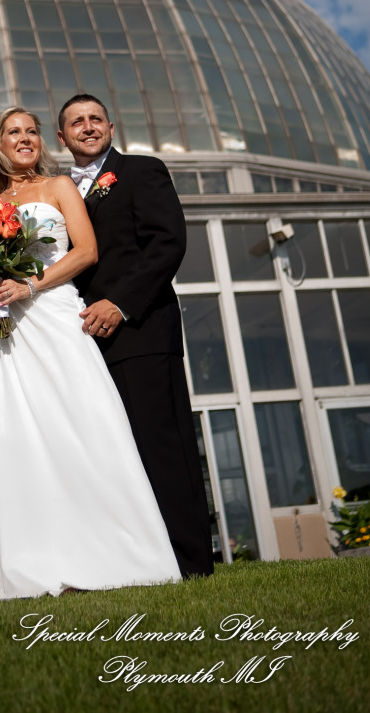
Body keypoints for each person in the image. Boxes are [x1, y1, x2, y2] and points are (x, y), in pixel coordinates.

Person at [0, 106, 181, 600]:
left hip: (55, 316)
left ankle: (123, 553)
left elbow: (86, 252)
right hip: (4, 331)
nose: (25, 139)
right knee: (18, 438)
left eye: (32, 132)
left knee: (83, 425)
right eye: (14, 132)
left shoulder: (60, 187)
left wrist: (29, 285)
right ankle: (40, 561)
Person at [57, 93, 214, 579]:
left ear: (110, 126)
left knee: (162, 445)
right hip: (85, 342)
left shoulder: (142, 171)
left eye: (95, 119)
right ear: (62, 137)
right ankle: (138, 563)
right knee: (116, 454)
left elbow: (168, 243)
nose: (87, 127)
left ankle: (191, 563)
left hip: (142, 330)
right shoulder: (60, 193)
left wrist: (121, 304)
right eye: (76, 122)